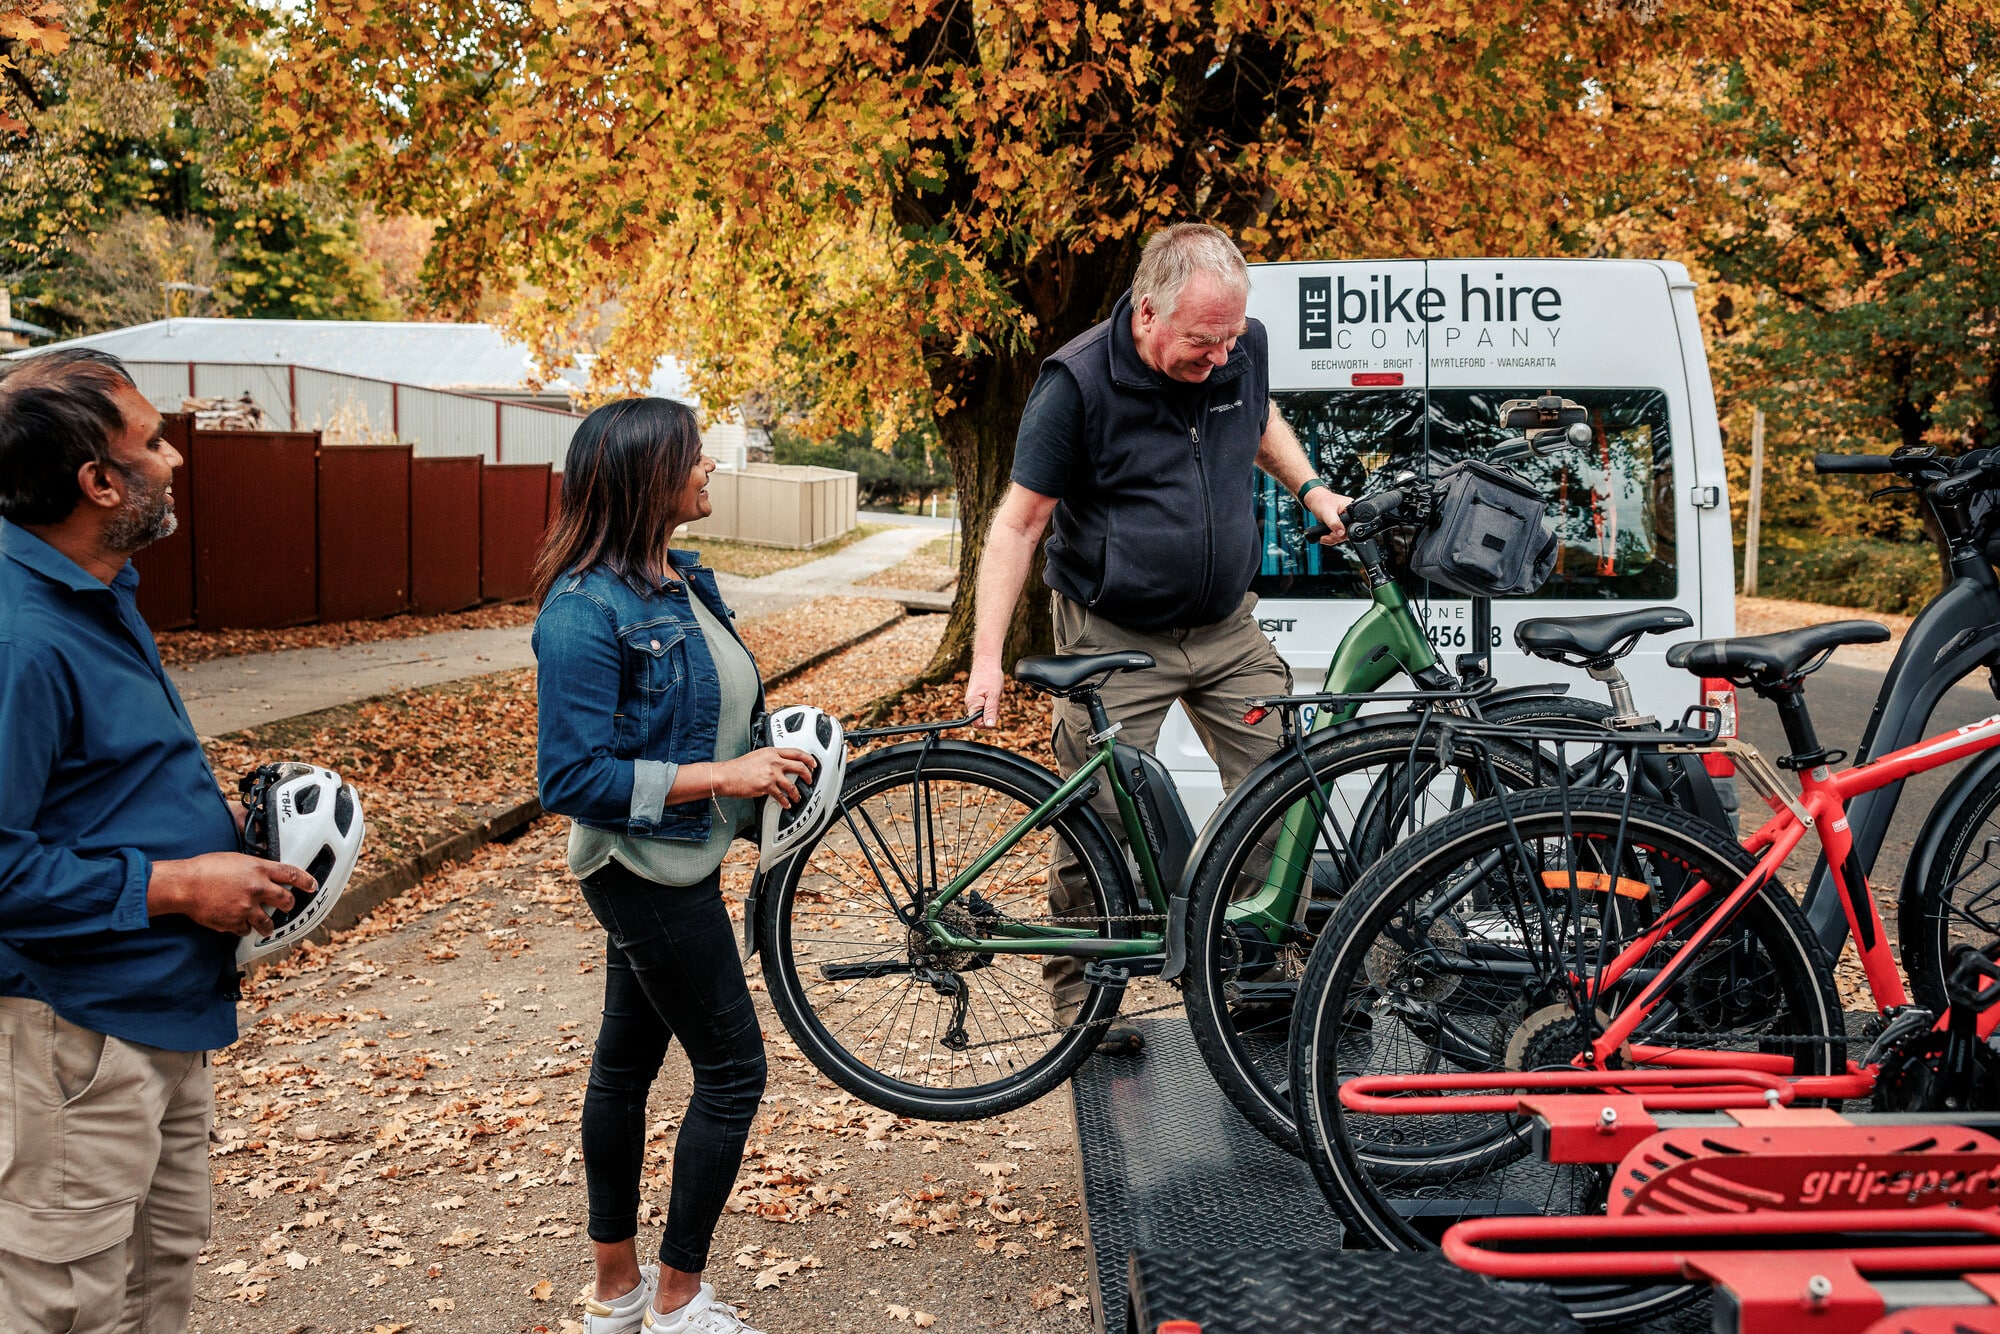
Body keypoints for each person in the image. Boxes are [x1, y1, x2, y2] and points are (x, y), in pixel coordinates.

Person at [962, 223, 1352, 1051]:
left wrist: (1313, 489)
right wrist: (987, 659)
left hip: (1225, 628)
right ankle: (1081, 1008)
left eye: (1229, 341)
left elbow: (1259, 417)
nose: (1219, 359)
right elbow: (1018, 524)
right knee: (1092, 822)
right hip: (1112, 630)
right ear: (1147, 312)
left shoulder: (1235, 347)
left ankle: (1246, 978)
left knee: (1282, 791)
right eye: (1200, 344)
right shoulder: (1074, 384)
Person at [0, 349, 316, 1332]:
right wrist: (179, 886)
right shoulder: (22, 636)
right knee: (68, 1305)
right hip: (73, 1038)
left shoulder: (93, 591)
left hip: (162, 1018)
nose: (175, 458)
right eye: (154, 440)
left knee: (155, 1281)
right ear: (99, 480)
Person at [533, 398, 817, 1334]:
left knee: (624, 1066)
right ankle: (678, 1298)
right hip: (643, 872)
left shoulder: (679, 582)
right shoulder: (583, 612)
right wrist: (725, 774)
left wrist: (771, 756)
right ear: (648, 479)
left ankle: (616, 1295)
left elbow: (714, 704)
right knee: (734, 1068)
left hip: (683, 859)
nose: (708, 470)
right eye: (693, 458)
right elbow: (572, 778)